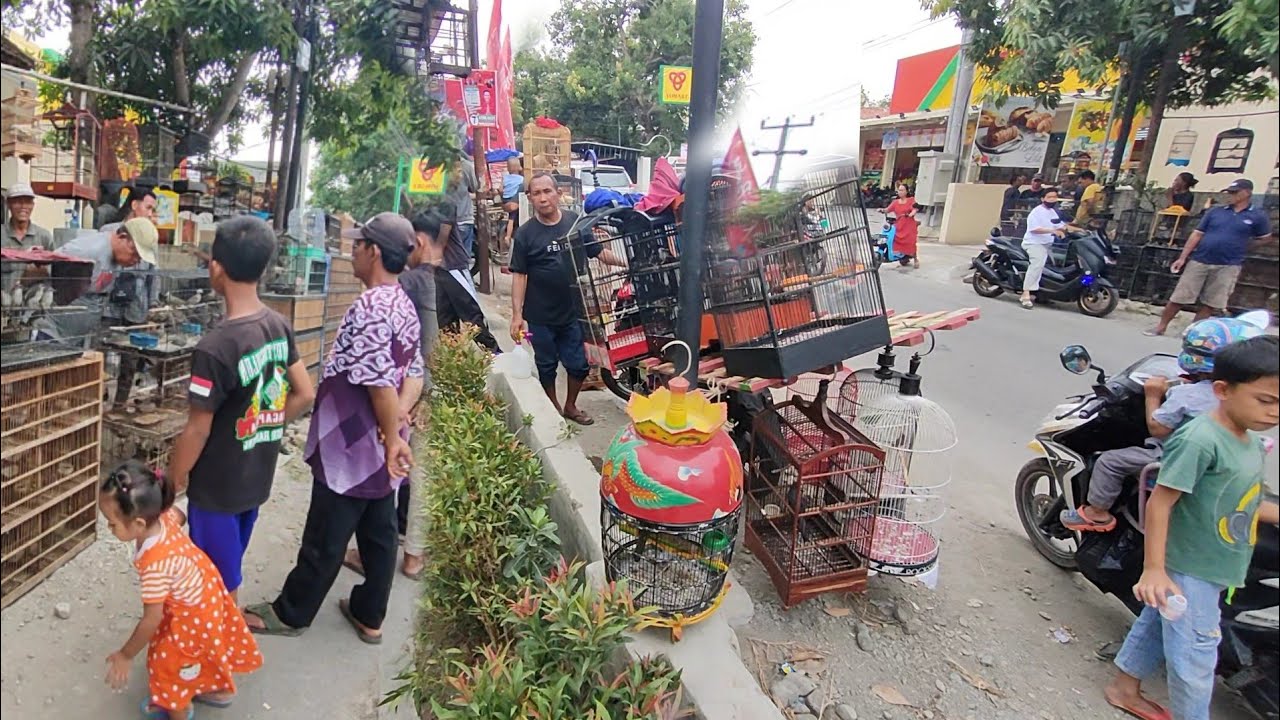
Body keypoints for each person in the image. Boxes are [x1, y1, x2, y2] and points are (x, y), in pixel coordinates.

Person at [244, 212, 423, 644]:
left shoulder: (372, 306)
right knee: (380, 531)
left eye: (359, 245)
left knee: (326, 532)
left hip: (353, 445)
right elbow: (413, 372)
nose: (353, 251)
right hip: (381, 445)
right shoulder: (402, 301)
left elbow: (379, 383)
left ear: (374, 252)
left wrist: (390, 431)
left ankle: (292, 612)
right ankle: (369, 613)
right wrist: (397, 425)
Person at [1102, 335, 1279, 720]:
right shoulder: (1201, 439)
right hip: (1191, 566)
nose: (1274, 412)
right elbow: (1161, 501)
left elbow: (1241, 502)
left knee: (1157, 623)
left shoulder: (1247, 441)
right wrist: (1154, 569)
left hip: (1216, 562)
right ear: (1222, 390)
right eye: (1266, 400)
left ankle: (1123, 688)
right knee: (1196, 658)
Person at [167, 216, 315, 602]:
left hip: (217, 488)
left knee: (219, 582)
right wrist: (265, 425)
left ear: (216, 268)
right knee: (227, 564)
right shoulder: (278, 325)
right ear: (263, 268)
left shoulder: (215, 347)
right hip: (255, 478)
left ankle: (223, 656)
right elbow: (304, 392)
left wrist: (172, 480)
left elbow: (197, 430)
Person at [1060, 315, 1263, 532]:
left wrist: (1153, 396)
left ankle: (1097, 513)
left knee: (1110, 461)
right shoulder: (1240, 397)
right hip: (1221, 460)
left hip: (1173, 458)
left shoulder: (1187, 395)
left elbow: (1158, 429)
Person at [100, 460, 261, 718]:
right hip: (207, 592)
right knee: (201, 652)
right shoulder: (164, 516)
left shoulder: (155, 564)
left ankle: (178, 706)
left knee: (168, 664)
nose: (109, 529)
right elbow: (180, 515)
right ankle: (216, 690)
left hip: (193, 615)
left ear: (140, 524)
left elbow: (151, 619)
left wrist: (126, 655)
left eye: (112, 523)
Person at [342, 210, 441, 582]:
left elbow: (388, 372)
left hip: (420, 395)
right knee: (404, 476)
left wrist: (400, 415)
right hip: (432, 389)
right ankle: (397, 557)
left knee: (400, 473)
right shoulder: (441, 277)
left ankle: (402, 557)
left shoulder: (406, 287)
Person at [510, 173, 625, 426]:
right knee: (546, 365)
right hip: (539, 314)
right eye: (536, 193)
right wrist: (517, 315)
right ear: (530, 198)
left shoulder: (575, 223)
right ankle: (553, 408)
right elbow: (519, 275)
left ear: (558, 193)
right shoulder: (525, 235)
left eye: (547, 191)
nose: (543, 198)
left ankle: (571, 405)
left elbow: (598, 252)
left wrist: (627, 263)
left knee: (579, 364)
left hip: (574, 311)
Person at [1146, 179, 1272, 336]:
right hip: (1201, 259)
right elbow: (1197, 234)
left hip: (1229, 264)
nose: (1230, 196)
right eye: (1229, 192)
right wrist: (1182, 257)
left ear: (1247, 193)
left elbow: (1265, 237)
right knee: (1180, 296)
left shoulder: (1257, 216)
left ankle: (1193, 332)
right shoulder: (1216, 212)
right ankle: (1161, 326)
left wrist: (1245, 246)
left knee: (1211, 302)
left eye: (1235, 192)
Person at [34, 218, 159, 344]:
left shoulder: (117, 257)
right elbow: (41, 269)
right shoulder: (87, 250)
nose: (136, 260)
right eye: (135, 253)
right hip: (52, 332)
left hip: (77, 335)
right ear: (122, 237)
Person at [2, 182, 55, 291]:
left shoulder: (44, 236)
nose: (23, 206)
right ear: (8, 204)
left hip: (36, 304)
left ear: (33, 205)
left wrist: (41, 272)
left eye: (27, 202)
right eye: (17, 202)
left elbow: (56, 272)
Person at [1018, 189, 1066, 310]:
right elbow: (1034, 229)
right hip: (1034, 243)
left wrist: (1080, 230)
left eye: (1054, 197)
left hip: (1047, 245)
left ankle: (1042, 293)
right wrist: (1053, 231)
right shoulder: (1036, 212)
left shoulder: (1052, 212)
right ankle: (1025, 294)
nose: (1052, 199)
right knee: (1037, 265)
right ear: (1042, 199)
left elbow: (1061, 225)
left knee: (1051, 268)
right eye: (1049, 197)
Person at [885, 183, 920, 269]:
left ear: (906, 191)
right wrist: (882, 210)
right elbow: (888, 209)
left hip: (909, 225)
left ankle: (915, 258)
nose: (900, 192)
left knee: (910, 243)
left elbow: (914, 209)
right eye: (899, 190)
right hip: (898, 225)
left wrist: (911, 214)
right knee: (893, 239)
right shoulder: (895, 202)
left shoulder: (911, 200)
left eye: (902, 190)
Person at [502, 157, 524, 253]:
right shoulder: (522, 179)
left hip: (506, 198)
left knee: (510, 218)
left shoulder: (505, 178)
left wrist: (502, 194)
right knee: (511, 219)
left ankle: (507, 236)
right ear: (519, 167)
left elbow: (500, 189)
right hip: (514, 200)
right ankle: (508, 236)